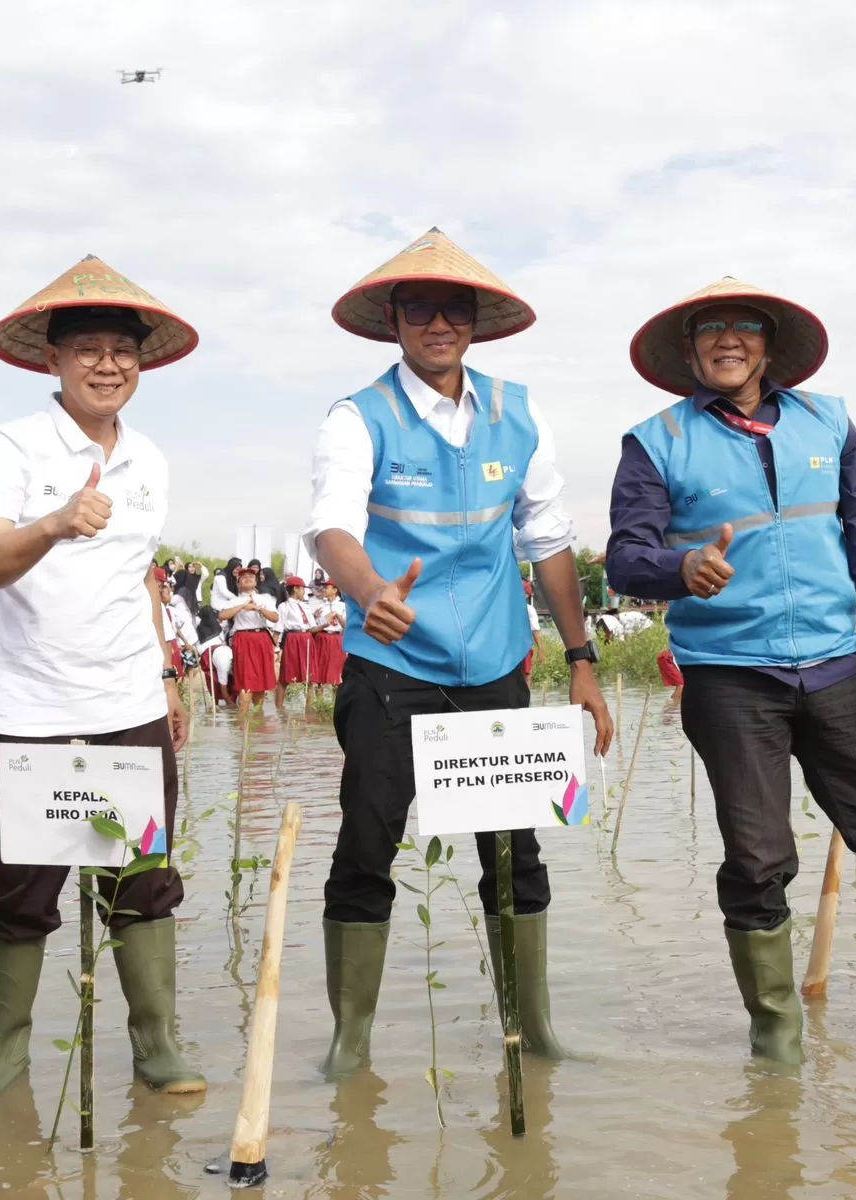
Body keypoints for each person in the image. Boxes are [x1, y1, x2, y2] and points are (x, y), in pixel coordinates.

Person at [606, 275, 856, 1064]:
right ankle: (776, 1037)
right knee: (760, 860)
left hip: (839, 669)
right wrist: (683, 566)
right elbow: (628, 559)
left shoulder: (828, 421)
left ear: (769, 346)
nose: (727, 340)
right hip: (729, 677)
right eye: (710, 329)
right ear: (690, 349)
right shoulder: (655, 440)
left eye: (745, 327)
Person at [308, 227, 614, 1075]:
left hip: (495, 674)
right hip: (391, 668)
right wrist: (370, 592)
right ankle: (351, 1043)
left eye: (453, 308)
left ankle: (533, 1030)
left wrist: (581, 659)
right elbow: (332, 526)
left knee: (514, 851)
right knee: (367, 847)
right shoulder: (357, 416)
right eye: (418, 309)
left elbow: (548, 540)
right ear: (395, 321)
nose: (436, 323)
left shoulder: (519, 414)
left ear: (474, 321)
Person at [0, 255, 201, 1105]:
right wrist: (55, 522)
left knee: (141, 884)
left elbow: (140, 573)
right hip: (24, 708)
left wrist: (167, 673)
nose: (107, 364)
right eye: (87, 348)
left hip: (125, 703)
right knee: (21, 889)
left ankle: (157, 1046)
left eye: (122, 350)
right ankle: (4, 1055)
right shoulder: (7, 447)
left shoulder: (151, 461)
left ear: (142, 362)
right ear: (51, 360)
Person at [218, 564, 278, 707]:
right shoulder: (234, 600)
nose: (248, 578)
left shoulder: (265, 598)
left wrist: (259, 609)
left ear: (256, 581)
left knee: (261, 685)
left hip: (262, 638)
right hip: (244, 639)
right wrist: (243, 607)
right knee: (246, 683)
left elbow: (275, 618)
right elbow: (222, 616)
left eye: (251, 576)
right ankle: (242, 722)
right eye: (243, 577)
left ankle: (258, 721)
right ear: (238, 583)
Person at [275, 575, 316, 710]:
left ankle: (309, 708)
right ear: (296, 589)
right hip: (293, 639)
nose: (304, 592)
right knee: (286, 675)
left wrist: (326, 622)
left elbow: (312, 626)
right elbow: (278, 628)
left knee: (310, 676)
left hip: (307, 639)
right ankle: (279, 708)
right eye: (302, 589)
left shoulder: (306, 606)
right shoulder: (284, 606)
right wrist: (275, 648)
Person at [309, 580, 346, 693]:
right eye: (323, 587)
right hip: (322, 638)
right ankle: (318, 700)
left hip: (336, 638)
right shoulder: (319, 606)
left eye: (327, 587)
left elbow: (346, 626)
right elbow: (313, 625)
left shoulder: (343, 606)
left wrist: (337, 615)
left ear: (335, 590)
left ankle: (335, 700)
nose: (324, 590)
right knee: (319, 669)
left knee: (336, 670)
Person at [193, 604, 233, 707]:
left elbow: (196, 644)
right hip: (218, 652)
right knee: (227, 681)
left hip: (208, 655)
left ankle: (216, 703)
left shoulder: (198, 627)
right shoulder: (218, 627)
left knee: (213, 682)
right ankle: (229, 704)